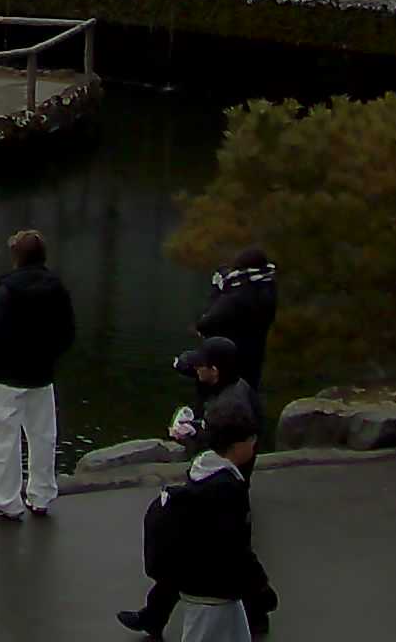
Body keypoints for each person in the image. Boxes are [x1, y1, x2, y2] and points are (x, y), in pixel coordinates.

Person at [125, 401, 269, 642]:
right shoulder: (228, 489)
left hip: (198, 584)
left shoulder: (201, 470)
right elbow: (235, 547)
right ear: (237, 445)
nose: (255, 444)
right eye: (251, 439)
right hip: (214, 593)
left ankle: (151, 617)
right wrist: (259, 587)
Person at [0, 229, 73, 520]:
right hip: (42, 373)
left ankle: (6, 502)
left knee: (6, 439)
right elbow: (68, 332)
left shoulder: (9, 292)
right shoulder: (57, 289)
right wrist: (50, 356)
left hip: (8, 375)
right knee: (43, 436)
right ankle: (41, 495)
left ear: (16, 257)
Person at [197, 248, 280, 412]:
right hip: (254, 358)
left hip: (227, 361)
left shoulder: (239, 296)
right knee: (247, 399)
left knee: (221, 405)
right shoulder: (269, 290)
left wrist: (218, 290)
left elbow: (206, 322)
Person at [168, 339, 253, 447]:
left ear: (214, 370)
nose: (195, 367)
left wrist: (186, 434)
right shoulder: (232, 380)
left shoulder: (226, 408)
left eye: (199, 364)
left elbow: (215, 450)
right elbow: (188, 365)